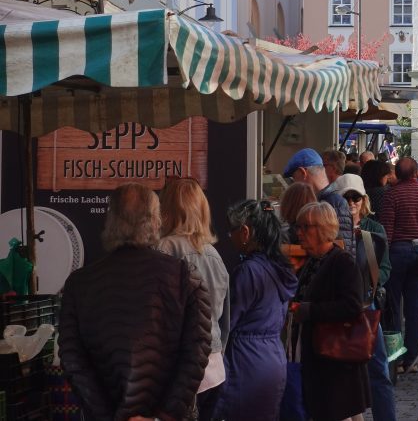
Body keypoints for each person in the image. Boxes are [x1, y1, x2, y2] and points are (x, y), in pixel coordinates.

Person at [59, 183, 211, 421]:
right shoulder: (184, 277)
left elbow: (72, 358)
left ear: (110, 221)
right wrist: (163, 416)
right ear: (155, 221)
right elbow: (197, 353)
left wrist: (106, 416)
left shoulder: (79, 284)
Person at [218, 199, 299, 420]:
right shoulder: (280, 268)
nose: (230, 237)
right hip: (272, 357)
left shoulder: (248, 272)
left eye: (231, 231)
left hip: (245, 363)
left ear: (245, 232)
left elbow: (227, 322)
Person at [291, 201, 371, 420]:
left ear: (322, 228)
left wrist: (310, 311)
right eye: (298, 227)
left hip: (336, 359)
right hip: (322, 358)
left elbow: (352, 306)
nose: (299, 232)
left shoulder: (342, 262)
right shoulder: (312, 261)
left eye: (305, 227)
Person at [158, 178, 230, 420]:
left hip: (180, 370)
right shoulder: (214, 255)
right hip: (214, 366)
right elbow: (224, 320)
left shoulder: (163, 250)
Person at [338, 173, 396, 419]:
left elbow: (385, 267)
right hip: (339, 304)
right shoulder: (332, 228)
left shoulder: (374, 228)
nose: (351, 203)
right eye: (346, 198)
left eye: (356, 198)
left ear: (364, 200)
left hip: (365, 303)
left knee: (378, 368)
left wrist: (373, 284)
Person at [380, 157, 418, 371]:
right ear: (416, 173)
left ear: (398, 173)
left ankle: (395, 358)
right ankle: (411, 359)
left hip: (397, 252)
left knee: (394, 307)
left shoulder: (391, 195)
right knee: (415, 308)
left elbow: (387, 231)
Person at [285, 147, 355, 255]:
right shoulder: (331, 201)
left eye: (294, 178)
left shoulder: (333, 203)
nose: (293, 184)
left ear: (303, 172)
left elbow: (342, 248)